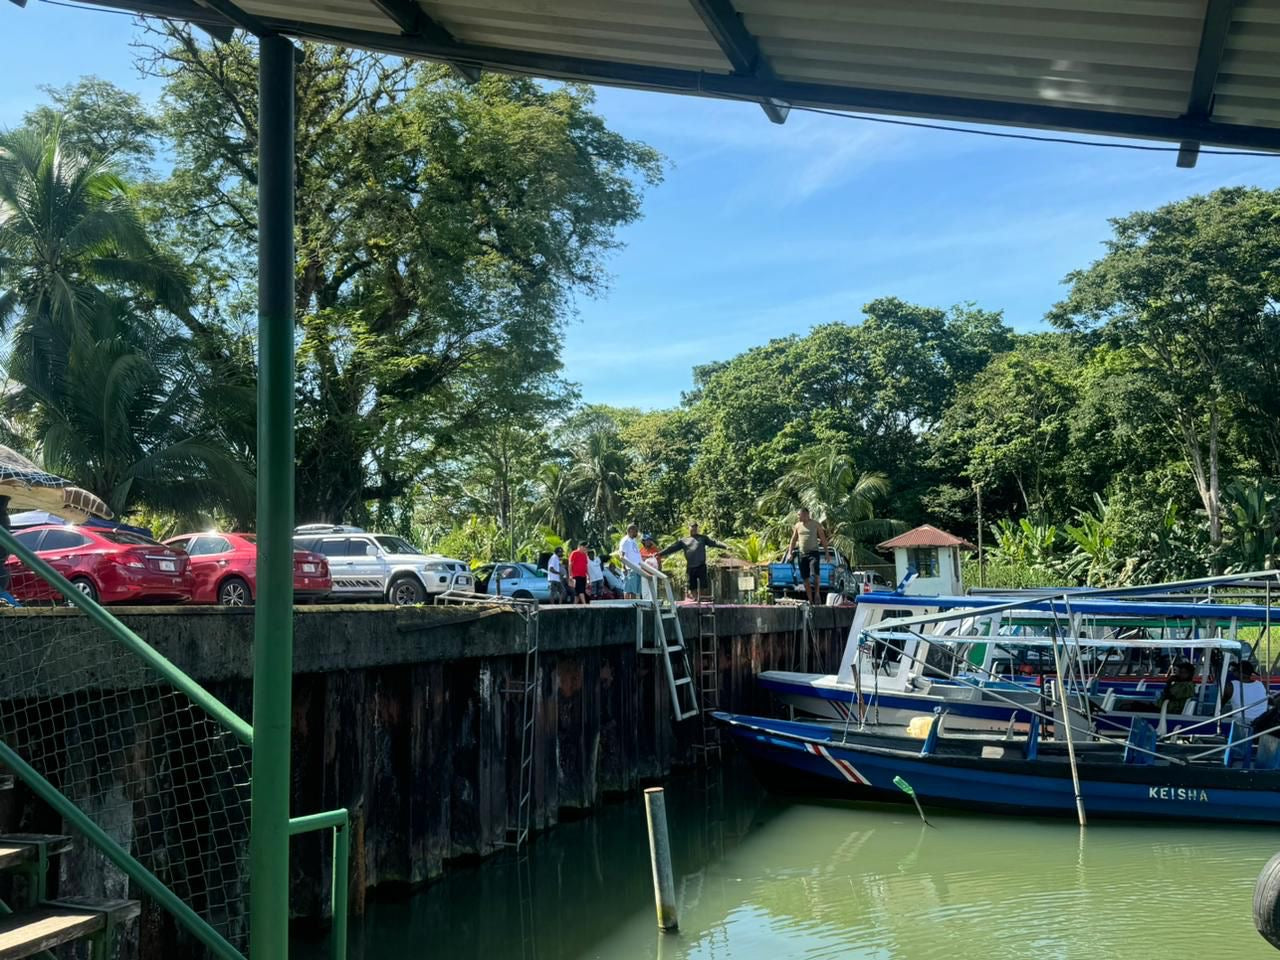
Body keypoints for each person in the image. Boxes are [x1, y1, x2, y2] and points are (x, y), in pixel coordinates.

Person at [659, 522, 728, 601]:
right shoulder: (684, 540)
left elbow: (714, 543)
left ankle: (701, 597)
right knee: (692, 584)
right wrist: (660, 553)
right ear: (689, 528)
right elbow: (672, 548)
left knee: (703, 584)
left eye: (695, 528)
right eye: (692, 527)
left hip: (701, 565)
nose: (694, 529)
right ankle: (695, 597)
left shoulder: (703, 538)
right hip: (691, 566)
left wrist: (725, 546)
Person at [787, 506, 830, 605]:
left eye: (799, 515)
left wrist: (827, 553)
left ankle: (817, 594)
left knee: (815, 573)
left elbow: (823, 539)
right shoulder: (798, 526)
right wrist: (790, 552)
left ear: (806, 514)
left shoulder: (816, 524)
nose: (798, 517)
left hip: (813, 553)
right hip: (802, 554)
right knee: (805, 578)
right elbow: (793, 540)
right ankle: (810, 600)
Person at [617, 524, 642, 599]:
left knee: (634, 590)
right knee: (628, 590)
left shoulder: (633, 540)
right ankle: (627, 604)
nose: (637, 532)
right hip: (630, 569)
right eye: (636, 531)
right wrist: (623, 567)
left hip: (637, 568)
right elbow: (621, 555)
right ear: (631, 531)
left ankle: (633, 604)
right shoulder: (625, 541)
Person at [569, 541, 590, 606]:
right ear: (581, 546)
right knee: (581, 591)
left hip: (583, 576)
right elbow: (570, 565)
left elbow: (585, 566)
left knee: (578, 594)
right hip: (576, 576)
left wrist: (588, 575)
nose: (586, 549)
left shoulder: (585, 555)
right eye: (585, 547)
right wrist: (570, 575)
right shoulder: (574, 553)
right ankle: (585, 604)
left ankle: (574, 606)